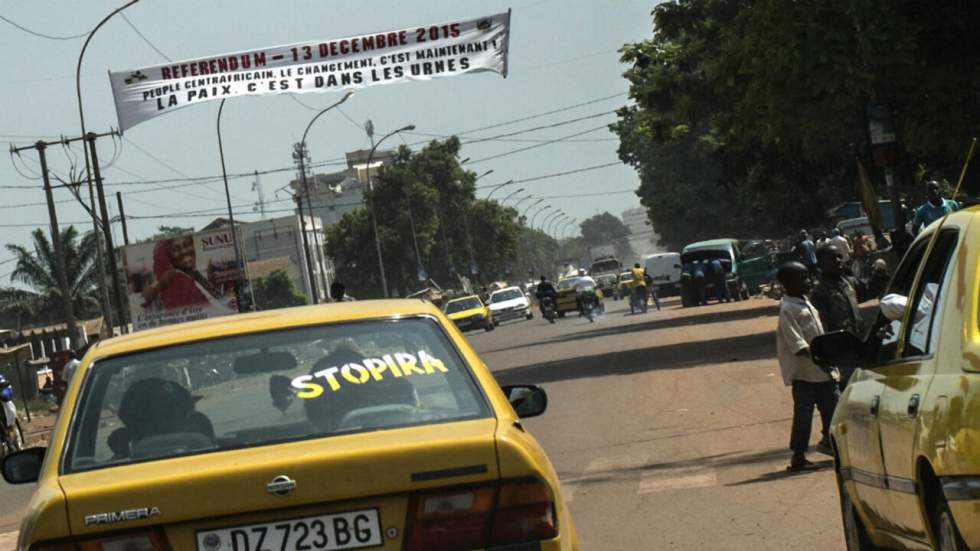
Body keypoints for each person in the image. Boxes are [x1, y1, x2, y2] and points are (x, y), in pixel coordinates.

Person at [776, 261, 837, 471]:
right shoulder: (788, 309)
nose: (808, 281)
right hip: (804, 373)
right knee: (803, 416)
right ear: (787, 284)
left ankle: (831, 444)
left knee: (834, 409)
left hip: (823, 371)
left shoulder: (806, 303)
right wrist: (821, 356)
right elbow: (798, 344)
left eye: (808, 277)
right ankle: (798, 456)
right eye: (802, 279)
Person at [809, 244, 887, 389]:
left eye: (840, 257)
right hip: (840, 352)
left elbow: (867, 291)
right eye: (832, 258)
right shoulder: (819, 292)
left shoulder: (848, 282)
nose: (838, 261)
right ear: (821, 264)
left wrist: (879, 275)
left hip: (858, 344)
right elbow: (821, 325)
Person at [141, 236, 227, 310]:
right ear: (168, 257)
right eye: (175, 249)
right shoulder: (179, 280)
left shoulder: (197, 276)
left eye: (187, 244)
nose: (184, 251)